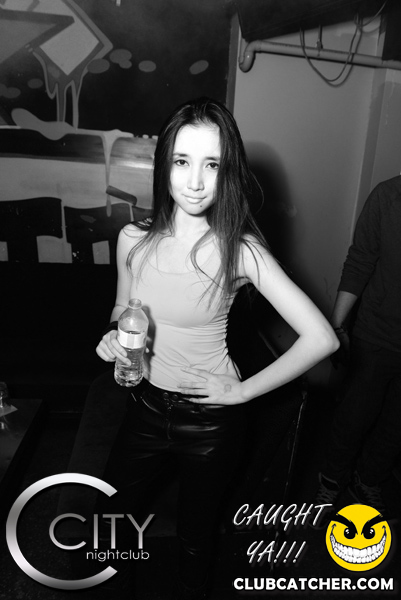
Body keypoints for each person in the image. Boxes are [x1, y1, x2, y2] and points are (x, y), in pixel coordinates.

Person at [95, 97, 339, 599]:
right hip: (144, 406)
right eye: (182, 161)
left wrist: (243, 392)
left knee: (195, 536)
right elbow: (123, 306)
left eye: (212, 164)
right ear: (163, 164)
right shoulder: (131, 239)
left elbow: (322, 338)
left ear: (228, 172)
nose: (195, 181)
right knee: (110, 522)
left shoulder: (240, 250)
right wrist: (116, 334)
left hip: (210, 422)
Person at [316, 175, 401, 517]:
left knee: (396, 427)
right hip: (376, 335)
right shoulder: (388, 196)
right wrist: (336, 328)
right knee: (354, 418)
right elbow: (360, 261)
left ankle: (368, 481)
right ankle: (331, 481)